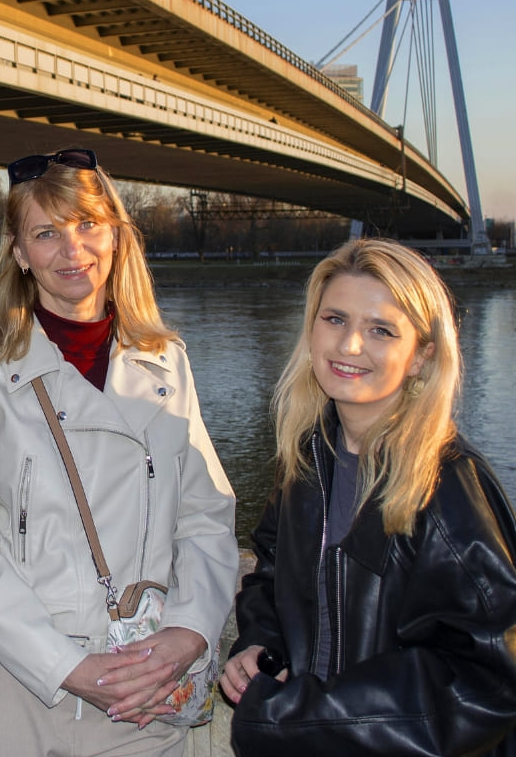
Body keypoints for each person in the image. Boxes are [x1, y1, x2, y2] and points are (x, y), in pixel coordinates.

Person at [0, 148, 238, 757]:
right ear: (18, 253)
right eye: (47, 233)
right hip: (13, 687)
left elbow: (206, 517)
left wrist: (190, 632)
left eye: (88, 225)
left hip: (142, 686)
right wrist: (67, 666)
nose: (73, 250)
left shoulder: (166, 362)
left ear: (117, 236)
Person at [220, 237, 516, 756]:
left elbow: (489, 682)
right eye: (334, 319)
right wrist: (260, 643)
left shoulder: (448, 488)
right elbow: (271, 568)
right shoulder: (310, 462)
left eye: (381, 330)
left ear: (422, 356)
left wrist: (301, 718)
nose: (349, 345)